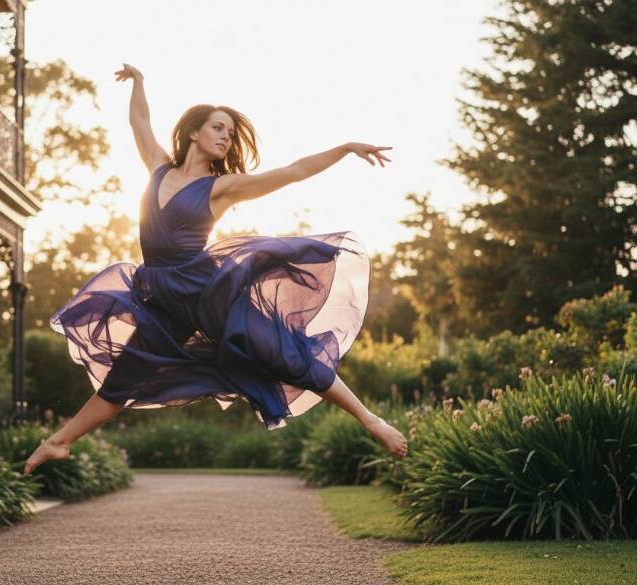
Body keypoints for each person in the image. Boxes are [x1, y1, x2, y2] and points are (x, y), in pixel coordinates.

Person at [23, 64, 407, 477]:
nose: (226, 137)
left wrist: (346, 147)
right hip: (160, 297)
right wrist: (139, 82)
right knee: (126, 375)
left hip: (205, 291)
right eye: (218, 128)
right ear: (194, 132)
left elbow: (293, 172)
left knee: (284, 355)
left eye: (229, 132)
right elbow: (139, 121)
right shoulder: (157, 168)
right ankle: (58, 442)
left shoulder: (223, 187)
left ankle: (371, 420)